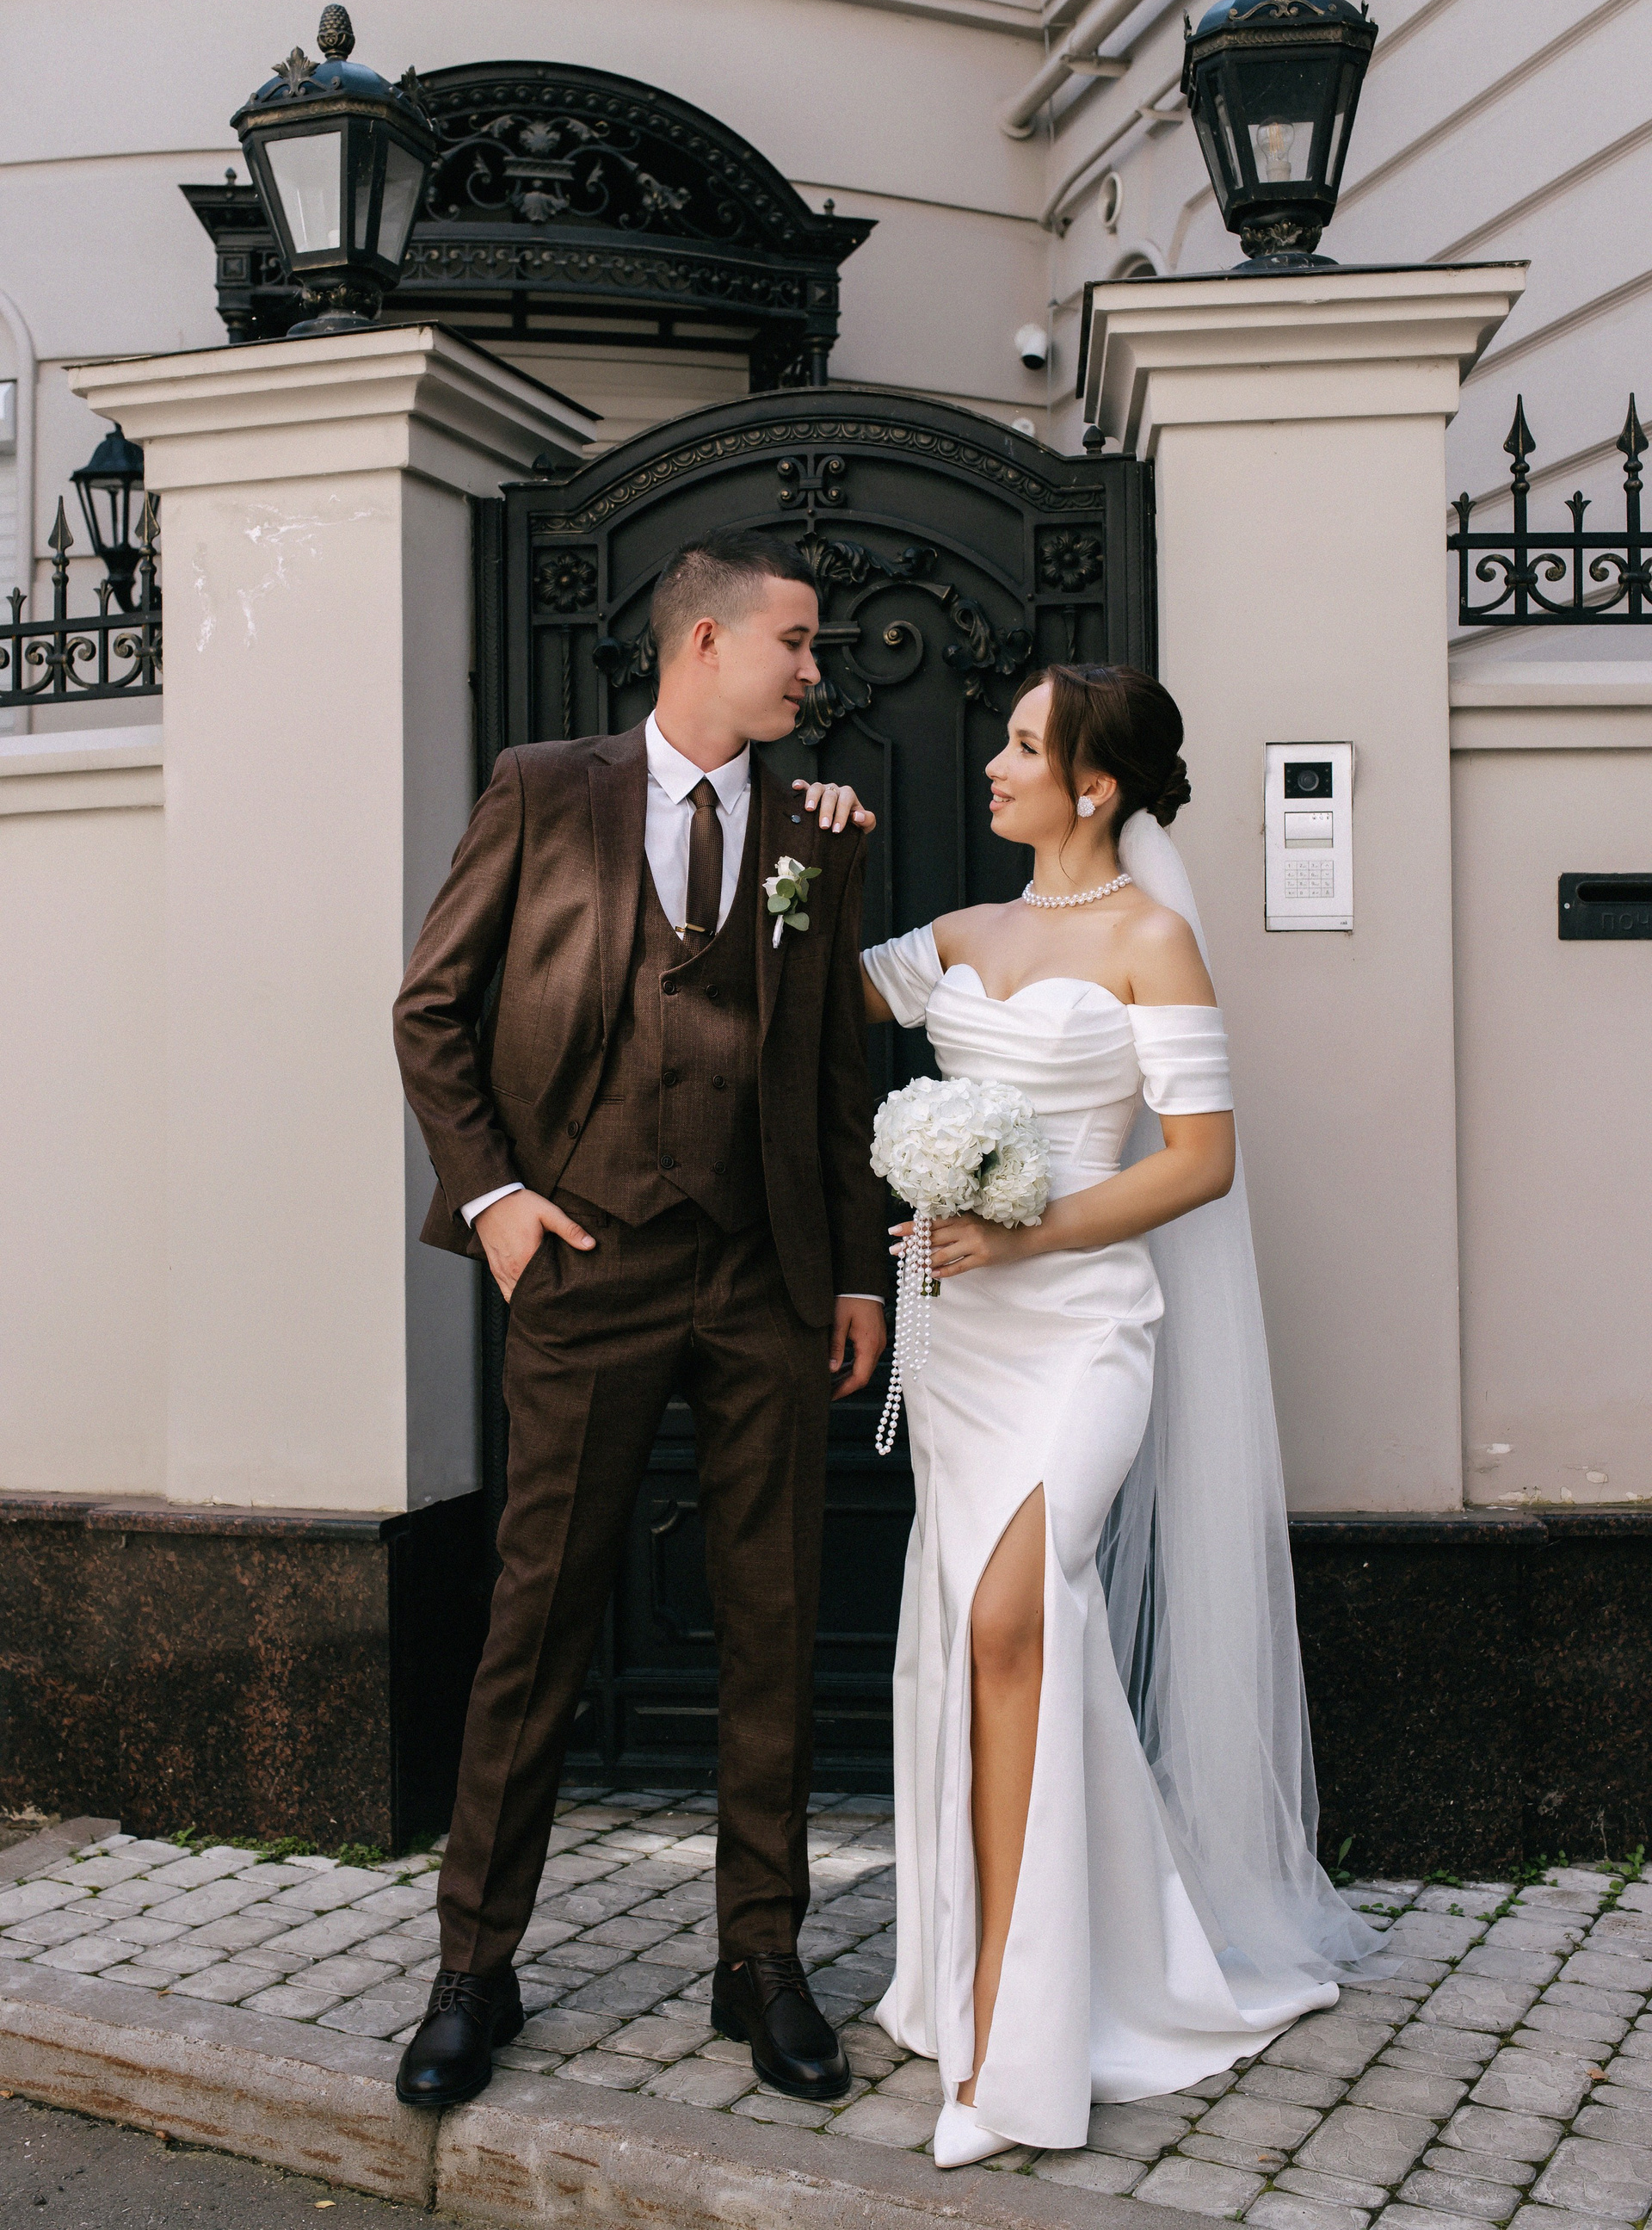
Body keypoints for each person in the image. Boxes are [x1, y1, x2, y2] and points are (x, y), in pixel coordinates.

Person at [391, 527, 889, 2111]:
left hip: (762, 1276)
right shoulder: (546, 790)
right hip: (585, 1266)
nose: (815, 668)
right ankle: (474, 1969)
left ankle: (763, 1962)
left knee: (772, 1623)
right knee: (535, 1622)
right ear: (706, 644)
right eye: (795, 641)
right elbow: (431, 1007)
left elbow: (833, 1070)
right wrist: (495, 1200)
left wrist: (857, 1271)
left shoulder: (816, 828)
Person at [859, 663, 1381, 2168]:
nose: (995, 763)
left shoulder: (1153, 939)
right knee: (986, 1642)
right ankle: (987, 1980)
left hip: (1083, 1330)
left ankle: (1017, 2052)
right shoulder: (957, 936)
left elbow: (1201, 1160)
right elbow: (794, 988)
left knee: (1015, 1620)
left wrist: (1025, 1231)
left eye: (1025, 746)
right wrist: (803, 844)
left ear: (1094, 786)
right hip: (959, 1343)